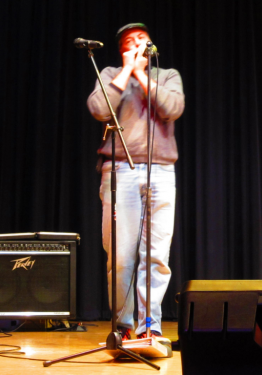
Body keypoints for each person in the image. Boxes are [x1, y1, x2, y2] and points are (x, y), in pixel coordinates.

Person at [87, 23, 185, 340]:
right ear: (121, 50)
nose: (138, 44)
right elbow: (99, 108)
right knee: (120, 255)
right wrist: (127, 70)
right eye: (130, 42)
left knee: (156, 255)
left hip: (161, 172)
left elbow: (172, 108)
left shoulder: (167, 75)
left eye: (143, 39)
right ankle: (123, 325)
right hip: (120, 172)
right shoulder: (112, 74)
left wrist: (143, 75)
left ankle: (149, 325)